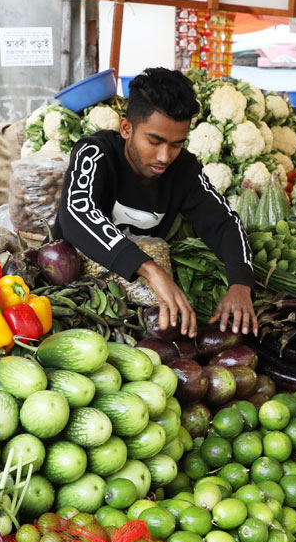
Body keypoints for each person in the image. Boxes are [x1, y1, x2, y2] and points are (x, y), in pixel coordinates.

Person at [54, 67, 255, 338]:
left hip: (136, 313)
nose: (164, 156)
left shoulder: (184, 169)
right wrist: (150, 269)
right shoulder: (94, 152)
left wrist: (240, 283)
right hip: (68, 299)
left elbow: (224, 222)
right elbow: (78, 213)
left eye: (176, 144)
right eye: (154, 141)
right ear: (126, 128)